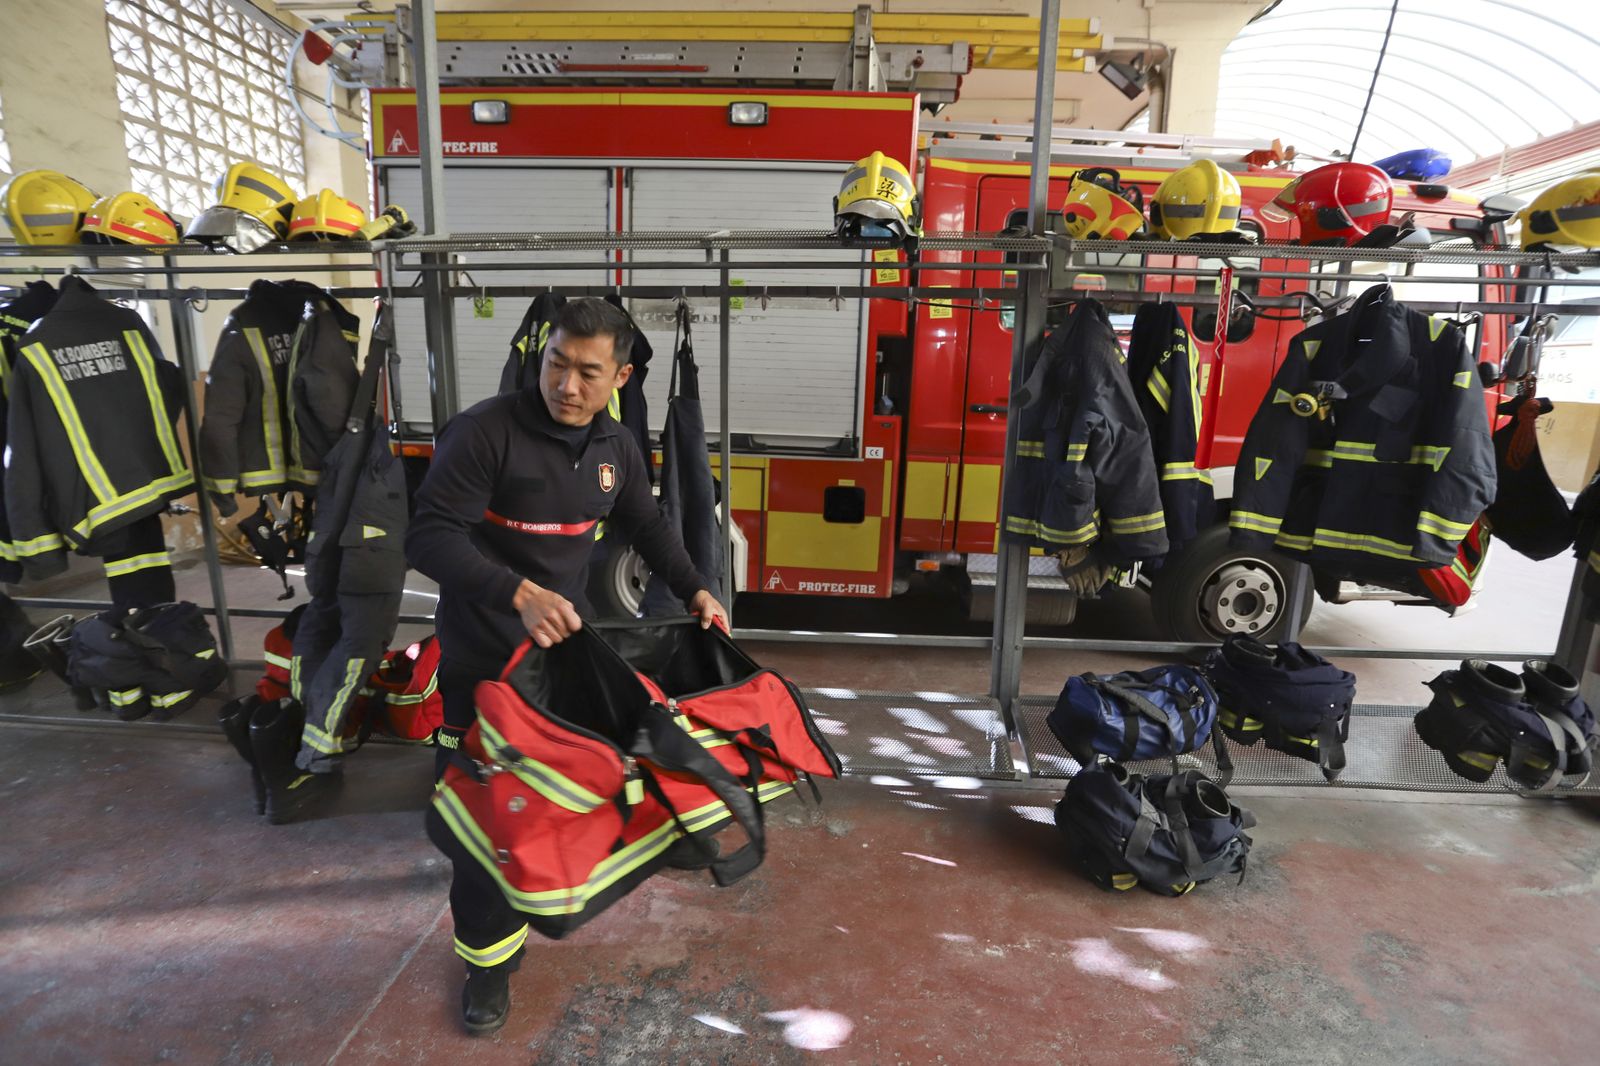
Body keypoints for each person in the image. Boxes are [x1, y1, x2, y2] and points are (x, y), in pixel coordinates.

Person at [404, 297, 728, 1036]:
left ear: (618, 377)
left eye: (588, 371)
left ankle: (649, 843)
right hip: (483, 667)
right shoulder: (485, 433)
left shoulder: (614, 445)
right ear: (541, 356)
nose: (568, 385)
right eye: (557, 364)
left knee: (617, 755)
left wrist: (696, 588)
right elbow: (426, 538)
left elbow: (646, 523)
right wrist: (513, 590)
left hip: (563, 654)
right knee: (489, 821)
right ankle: (487, 964)